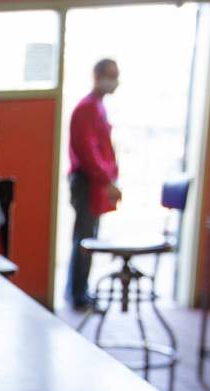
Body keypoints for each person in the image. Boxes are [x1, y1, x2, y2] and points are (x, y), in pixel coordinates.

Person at [65, 59, 122, 309]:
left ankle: (79, 290)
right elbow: (88, 151)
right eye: (110, 75)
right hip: (87, 182)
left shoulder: (98, 107)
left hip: (95, 183)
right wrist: (105, 180)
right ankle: (78, 294)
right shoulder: (87, 108)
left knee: (88, 236)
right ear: (97, 76)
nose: (114, 81)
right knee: (85, 239)